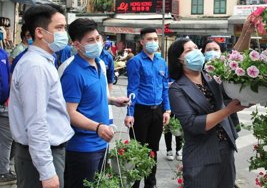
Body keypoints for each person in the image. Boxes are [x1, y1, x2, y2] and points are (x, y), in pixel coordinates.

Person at [9, 4, 74, 188]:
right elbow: (36, 123)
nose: (64, 33)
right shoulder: (35, 67)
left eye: (64, 28)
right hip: (39, 157)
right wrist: (47, 172)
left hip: (46, 153)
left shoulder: (45, 62)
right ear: (40, 32)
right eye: (59, 28)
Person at [59, 18, 129, 188]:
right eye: (90, 40)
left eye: (98, 38)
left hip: (101, 143)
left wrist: (112, 100)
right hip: (82, 148)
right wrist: (97, 127)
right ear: (77, 45)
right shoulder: (73, 73)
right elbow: (70, 112)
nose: (97, 43)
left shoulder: (99, 63)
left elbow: (89, 97)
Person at [168, 38, 247, 188]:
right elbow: (193, 124)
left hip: (225, 149)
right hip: (201, 155)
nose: (196, 52)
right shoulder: (177, 89)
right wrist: (228, 110)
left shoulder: (211, 76)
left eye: (196, 48)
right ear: (179, 60)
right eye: (189, 50)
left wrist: (246, 33)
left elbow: (235, 57)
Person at [124, 27, 171, 188]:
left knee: (153, 150)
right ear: (142, 42)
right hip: (140, 112)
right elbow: (132, 89)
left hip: (157, 111)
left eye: (155, 39)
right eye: (149, 39)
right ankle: (135, 184)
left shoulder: (161, 62)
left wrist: (167, 110)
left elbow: (165, 87)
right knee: (138, 150)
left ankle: (150, 184)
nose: (153, 42)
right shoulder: (135, 62)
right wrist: (130, 113)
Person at [202, 40, 241, 132]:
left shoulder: (227, 68)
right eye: (209, 49)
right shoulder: (199, 71)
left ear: (221, 52)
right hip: (208, 118)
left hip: (229, 116)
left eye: (216, 49)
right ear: (203, 53)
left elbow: (237, 52)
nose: (212, 52)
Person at [0, 47, 15, 183]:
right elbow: (5, 85)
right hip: (3, 104)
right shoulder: (2, 54)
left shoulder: (3, 53)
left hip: (5, 103)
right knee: (6, 141)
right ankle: (3, 172)